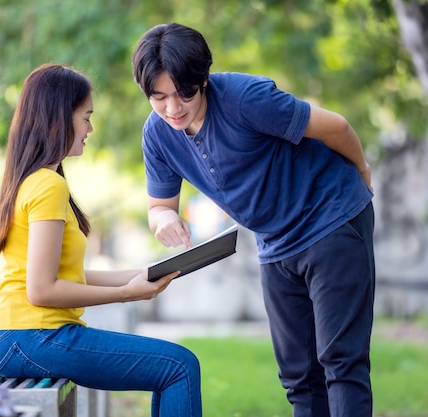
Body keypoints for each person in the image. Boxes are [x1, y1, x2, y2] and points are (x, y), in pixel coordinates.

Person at [132, 23, 375, 417]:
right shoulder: (157, 135)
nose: (173, 109)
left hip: (331, 217)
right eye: (158, 98)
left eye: (184, 94)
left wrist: (362, 173)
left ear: (204, 79)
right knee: (299, 377)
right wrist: (163, 220)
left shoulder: (246, 98)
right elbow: (159, 206)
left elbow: (337, 127)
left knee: (341, 363)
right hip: (274, 243)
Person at [0, 63, 202, 417]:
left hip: (16, 335)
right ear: (59, 117)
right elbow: (42, 290)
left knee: (175, 365)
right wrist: (125, 294)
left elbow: (63, 274)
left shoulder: (34, 180)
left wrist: (142, 273)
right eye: (86, 117)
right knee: (178, 366)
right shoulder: (47, 185)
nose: (90, 128)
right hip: (31, 335)